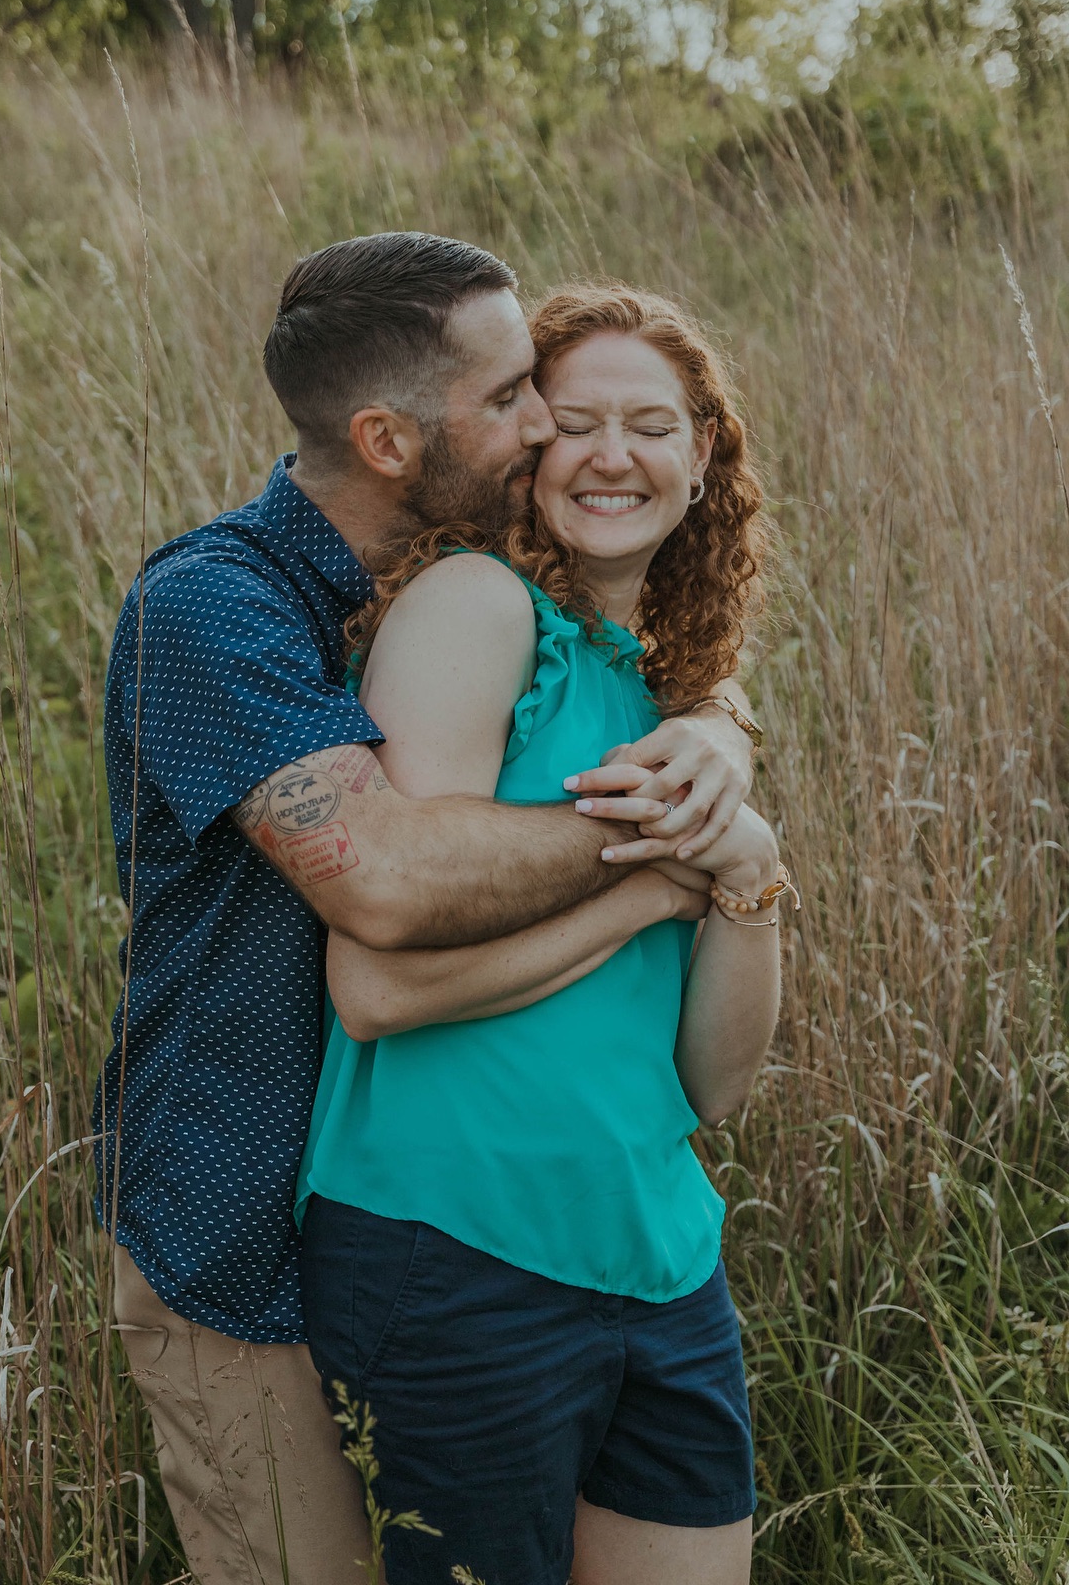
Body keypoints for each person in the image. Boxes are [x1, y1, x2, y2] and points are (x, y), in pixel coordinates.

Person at [94, 236, 759, 1585]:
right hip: (240, 1236)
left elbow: (631, 666)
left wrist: (718, 734)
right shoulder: (213, 610)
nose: (546, 426)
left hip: (473, 1216)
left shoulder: (464, 591)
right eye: (519, 400)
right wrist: (671, 848)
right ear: (391, 439)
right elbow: (386, 885)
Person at [296, 281, 783, 1585]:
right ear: (518, 449)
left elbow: (710, 1089)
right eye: (575, 422)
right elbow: (376, 989)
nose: (614, 455)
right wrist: (650, 889)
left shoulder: (675, 690)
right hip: (457, 1249)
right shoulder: (477, 608)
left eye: (653, 424)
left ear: (701, 460)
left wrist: (751, 878)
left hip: (660, 1253)